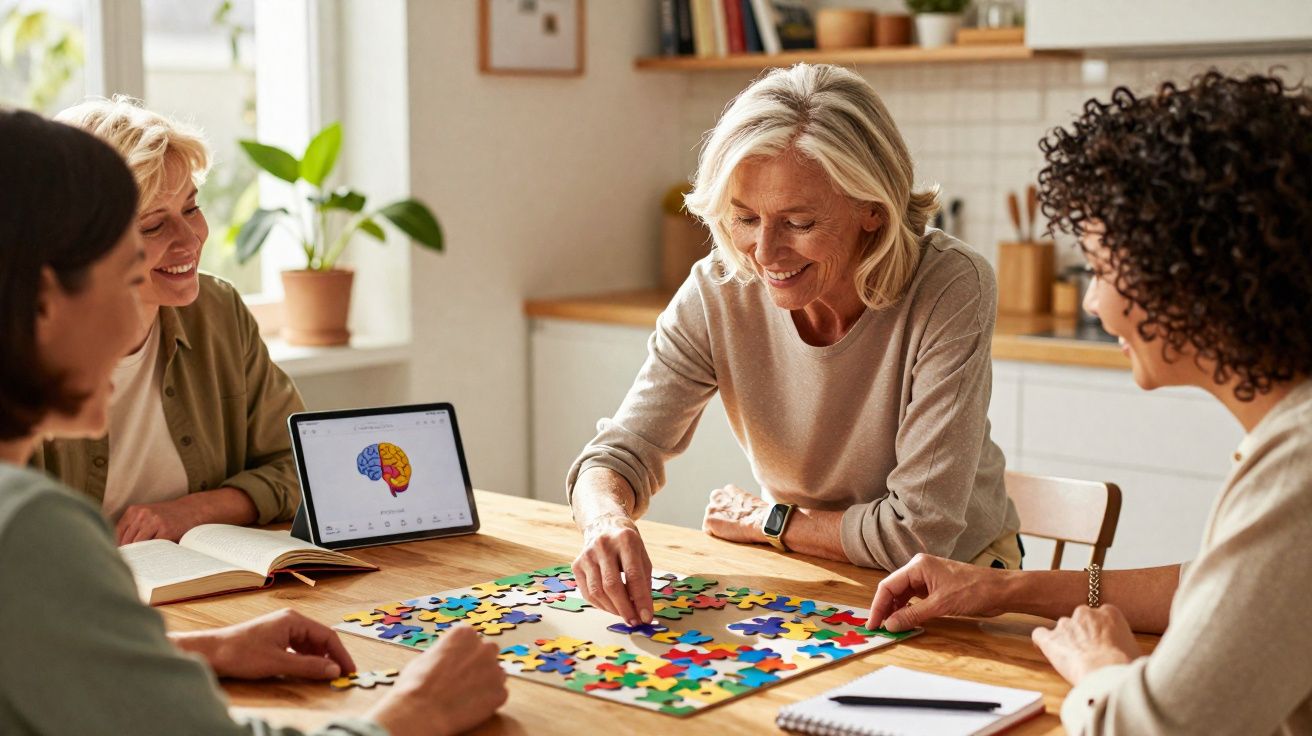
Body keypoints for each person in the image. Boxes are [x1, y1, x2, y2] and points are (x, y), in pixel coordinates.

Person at [0, 108, 507, 736]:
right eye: (120, 275)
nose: (128, 323)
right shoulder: (26, 526)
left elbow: (41, 666)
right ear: (47, 301)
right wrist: (417, 713)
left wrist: (200, 651)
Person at [866, 71, 1312, 734]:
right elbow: (1223, 591)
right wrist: (1003, 591)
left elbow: (1149, 729)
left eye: (1101, 270)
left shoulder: (1299, 466)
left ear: (1188, 273)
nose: (1093, 302)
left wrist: (1102, 668)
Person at [569, 63, 1021, 627]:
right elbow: (615, 456)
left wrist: (770, 520)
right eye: (744, 217)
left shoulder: (951, 285)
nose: (764, 252)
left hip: (957, 581)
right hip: (807, 571)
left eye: (799, 222)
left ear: (872, 211)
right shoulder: (718, 289)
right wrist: (605, 520)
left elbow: (918, 533)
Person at [32, 96, 303, 545]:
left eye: (191, 209)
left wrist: (194, 511)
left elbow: (300, 466)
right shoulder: (24, 347)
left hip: (211, 590)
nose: (190, 239)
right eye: (154, 225)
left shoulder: (219, 311)